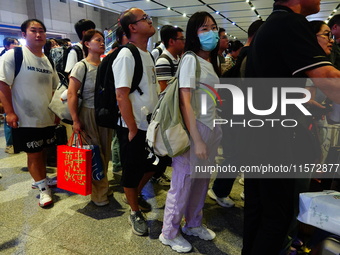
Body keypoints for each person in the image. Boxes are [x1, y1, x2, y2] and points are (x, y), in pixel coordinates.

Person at [242, 0, 340, 254]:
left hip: (257, 132)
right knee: (276, 217)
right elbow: (329, 77)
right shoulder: (290, 22)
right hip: (274, 137)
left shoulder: (271, 25)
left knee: (258, 212)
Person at [159, 11, 222, 253]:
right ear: (193, 34)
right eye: (204, 29)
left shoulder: (208, 62)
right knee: (183, 182)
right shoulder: (190, 59)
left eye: (214, 27)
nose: (211, 33)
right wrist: (197, 139)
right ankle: (169, 232)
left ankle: (193, 223)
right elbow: (185, 102)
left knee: (202, 181)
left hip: (210, 129)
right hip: (193, 132)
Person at [113, 8, 166, 236]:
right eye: (144, 19)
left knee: (156, 164)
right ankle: (134, 210)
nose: (149, 21)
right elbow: (121, 94)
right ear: (132, 27)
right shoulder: (127, 54)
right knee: (132, 170)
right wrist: (132, 127)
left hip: (150, 125)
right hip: (133, 127)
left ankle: (133, 194)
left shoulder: (147, 54)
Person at [0, 19, 59, 207]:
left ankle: (41, 179)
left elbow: (54, 88)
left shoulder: (48, 59)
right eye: (33, 31)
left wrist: (57, 111)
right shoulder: (14, 55)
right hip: (26, 117)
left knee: (42, 151)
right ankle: (43, 189)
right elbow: (2, 83)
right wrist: (9, 112)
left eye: (42, 31)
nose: (39, 34)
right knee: (33, 153)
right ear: (24, 35)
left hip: (46, 116)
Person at [67, 29, 113, 206]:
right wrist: (75, 120)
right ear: (87, 44)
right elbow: (72, 93)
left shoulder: (103, 65)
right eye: (97, 40)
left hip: (104, 114)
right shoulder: (82, 66)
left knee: (105, 152)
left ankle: (103, 185)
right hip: (88, 112)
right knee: (95, 154)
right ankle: (99, 194)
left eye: (102, 40)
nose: (102, 43)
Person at [0, 37, 19, 154]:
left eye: (17, 43)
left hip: (16, 94)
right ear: (7, 46)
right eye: (13, 44)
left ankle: (16, 142)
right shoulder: (4, 59)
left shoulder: (17, 58)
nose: (16, 45)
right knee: (9, 118)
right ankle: (10, 144)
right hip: (7, 94)